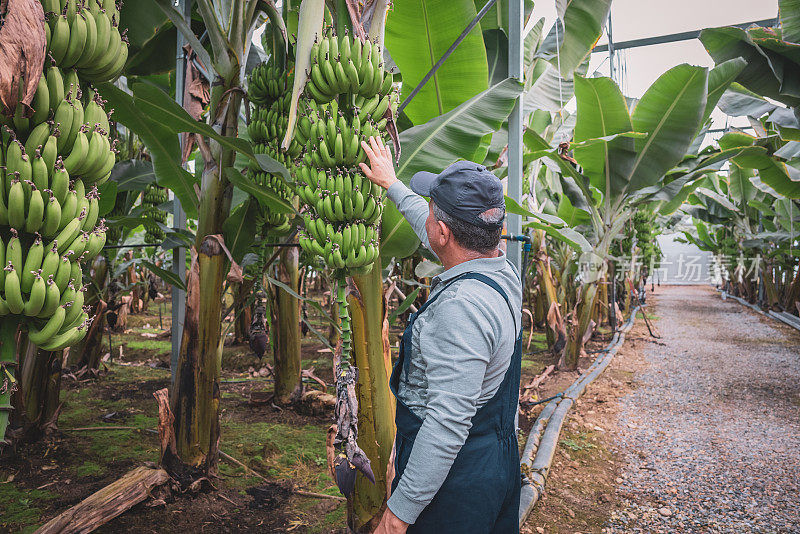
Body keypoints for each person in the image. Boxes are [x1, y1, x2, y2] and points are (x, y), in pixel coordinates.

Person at [359, 136, 523, 533]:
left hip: (455, 483)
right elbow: (429, 224)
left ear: (445, 233)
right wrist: (392, 185)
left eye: (434, 215)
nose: (427, 219)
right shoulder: (500, 269)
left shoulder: (460, 309)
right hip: (497, 460)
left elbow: (446, 426)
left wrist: (397, 517)